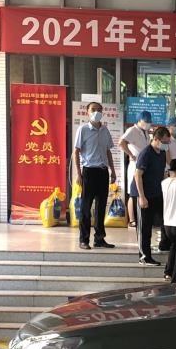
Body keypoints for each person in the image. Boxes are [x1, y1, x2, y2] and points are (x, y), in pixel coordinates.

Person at [72, 101, 117, 250]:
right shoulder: (83, 129)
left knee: (101, 206)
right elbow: (76, 152)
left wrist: (113, 171)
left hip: (103, 172)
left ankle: (99, 239)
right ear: (87, 112)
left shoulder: (105, 130)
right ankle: (84, 240)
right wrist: (79, 174)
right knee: (86, 207)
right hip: (89, 172)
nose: (96, 112)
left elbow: (108, 151)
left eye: (99, 109)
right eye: (93, 109)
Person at [133, 127, 172, 266]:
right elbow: (138, 175)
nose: (166, 145)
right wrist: (142, 197)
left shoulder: (162, 153)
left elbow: (162, 173)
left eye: (168, 142)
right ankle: (144, 256)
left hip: (157, 193)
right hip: (144, 193)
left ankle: (165, 245)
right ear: (155, 139)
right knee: (145, 227)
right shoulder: (146, 154)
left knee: (165, 219)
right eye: (164, 142)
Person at [119, 110, 152, 227]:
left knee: (141, 191)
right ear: (139, 120)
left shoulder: (145, 132)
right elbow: (121, 143)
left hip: (144, 165)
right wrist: (131, 154)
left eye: (149, 121)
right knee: (133, 193)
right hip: (135, 165)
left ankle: (140, 217)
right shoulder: (132, 130)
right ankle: (132, 219)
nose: (148, 123)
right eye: (145, 121)